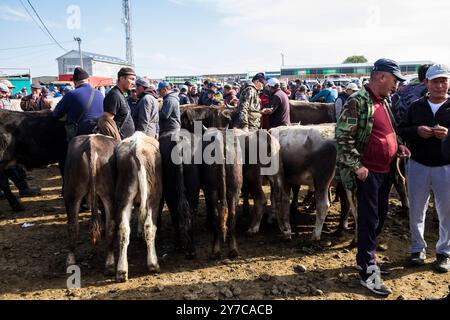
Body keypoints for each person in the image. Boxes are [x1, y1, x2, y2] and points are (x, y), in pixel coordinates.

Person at [336, 58, 411, 296]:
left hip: (385, 170)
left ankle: (366, 259)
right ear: (381, 77)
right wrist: (357, 166)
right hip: (368, 173)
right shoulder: (357, 101)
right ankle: (368, 271)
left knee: (378, 217)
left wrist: (398, 145)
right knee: (369, 221)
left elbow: (389, 130)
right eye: (394, 80)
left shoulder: (383, 101)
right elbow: (342, 137)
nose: (396, 85)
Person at [398, 64, 450, 273]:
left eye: (444, 80)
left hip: (446, 166)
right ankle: (417, 248)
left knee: (446, 212)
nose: (440, 85)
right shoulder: (416, 106)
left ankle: (444, 252)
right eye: (435, 81)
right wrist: (416, 131)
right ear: (426, 83)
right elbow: (401, 130)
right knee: (416, 209)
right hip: (418, 164)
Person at [53, 67, 104, 139]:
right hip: (99, 132)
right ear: (88, 80)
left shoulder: (71, 94)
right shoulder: (100, 94)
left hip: (79, 135)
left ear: (74, 82)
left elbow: (56, 114)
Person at [103, 67, 136, 139]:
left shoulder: (121, 94)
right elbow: (107, 122)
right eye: (131, 79)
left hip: (126, 142)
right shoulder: (114, 95)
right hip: (119, 144)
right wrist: (117, 141)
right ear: (122, 78)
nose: (134, 83)